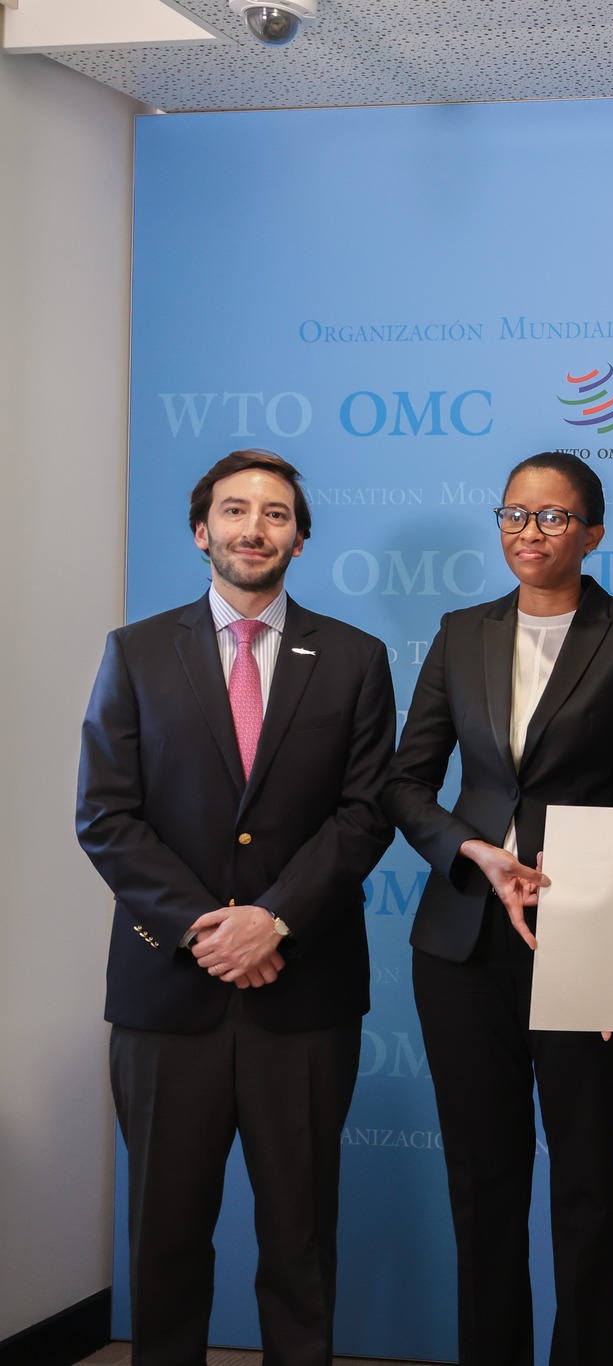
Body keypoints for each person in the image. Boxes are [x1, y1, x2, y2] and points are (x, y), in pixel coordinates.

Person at [76, 449, 395, 1366]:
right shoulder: (137, 651)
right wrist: (204, 929)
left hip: (304, 992)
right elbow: (107, 815)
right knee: (165, 1240)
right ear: (200, 530)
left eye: (276, 514)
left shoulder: (355, 658)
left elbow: (365, 813)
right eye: (234, 510)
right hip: (167, 995)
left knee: (300, 1240)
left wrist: (273, 919)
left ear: (301, 538)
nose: (254, 528)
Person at [381, 452, 613, 1366]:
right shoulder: (460, 631)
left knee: (586, 1181)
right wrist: (471, 849)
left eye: (554, 517)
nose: (530, 532)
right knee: (483, 1182)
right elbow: (405, 782)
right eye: (514, 514)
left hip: (581, 940)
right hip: (462, 943)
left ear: (593, 533)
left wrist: (590, 898)